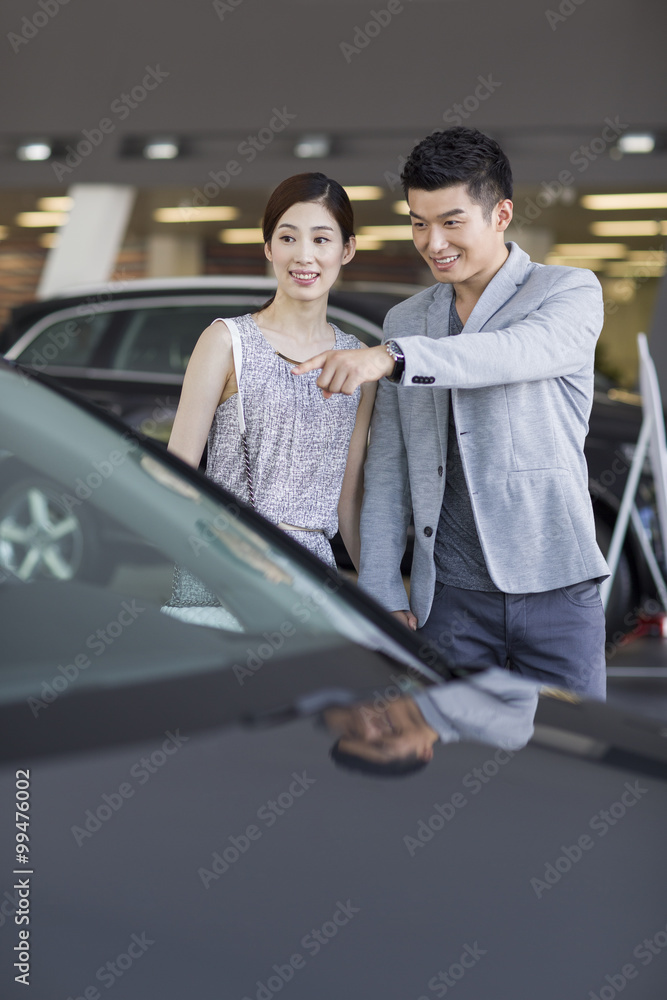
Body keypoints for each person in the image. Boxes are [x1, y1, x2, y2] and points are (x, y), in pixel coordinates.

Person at [293, 128, 609, 699]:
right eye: (418, 222)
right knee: (456, 772)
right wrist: (383, 587)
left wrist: (393, 358)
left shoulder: (567, 292)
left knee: (575, 769)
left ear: (501, 214)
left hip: (557, 588)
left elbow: (513, 352)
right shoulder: (407, 319)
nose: (432, 242)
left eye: (451, 222)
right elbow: (388, 472)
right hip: (449, 602)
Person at [168, 172, 375, 571]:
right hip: (227, 563)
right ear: (268, 248)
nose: (304, 255)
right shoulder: (227, 341)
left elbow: (348, 501)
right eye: (287, 237)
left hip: (312, 573)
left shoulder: (357, 360)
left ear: (347, 249)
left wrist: (383, 598)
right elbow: (175, 476)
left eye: (321, 239)